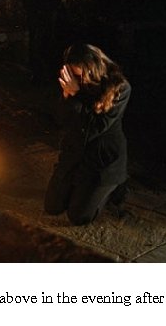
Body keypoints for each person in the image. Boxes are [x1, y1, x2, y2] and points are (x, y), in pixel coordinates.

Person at [44, 44, 131, 225]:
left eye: (80, 75)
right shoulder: (72, 82)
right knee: (52, 206)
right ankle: (80, 188)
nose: (77, 79)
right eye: (74, 75)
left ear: (92, 68)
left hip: (102, 160)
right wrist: (67, 96)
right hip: (75, 153)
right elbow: (61, 118)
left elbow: (93, 129)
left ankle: (112, 190)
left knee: (79, 217)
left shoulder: (119, 88)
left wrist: (75, 95)